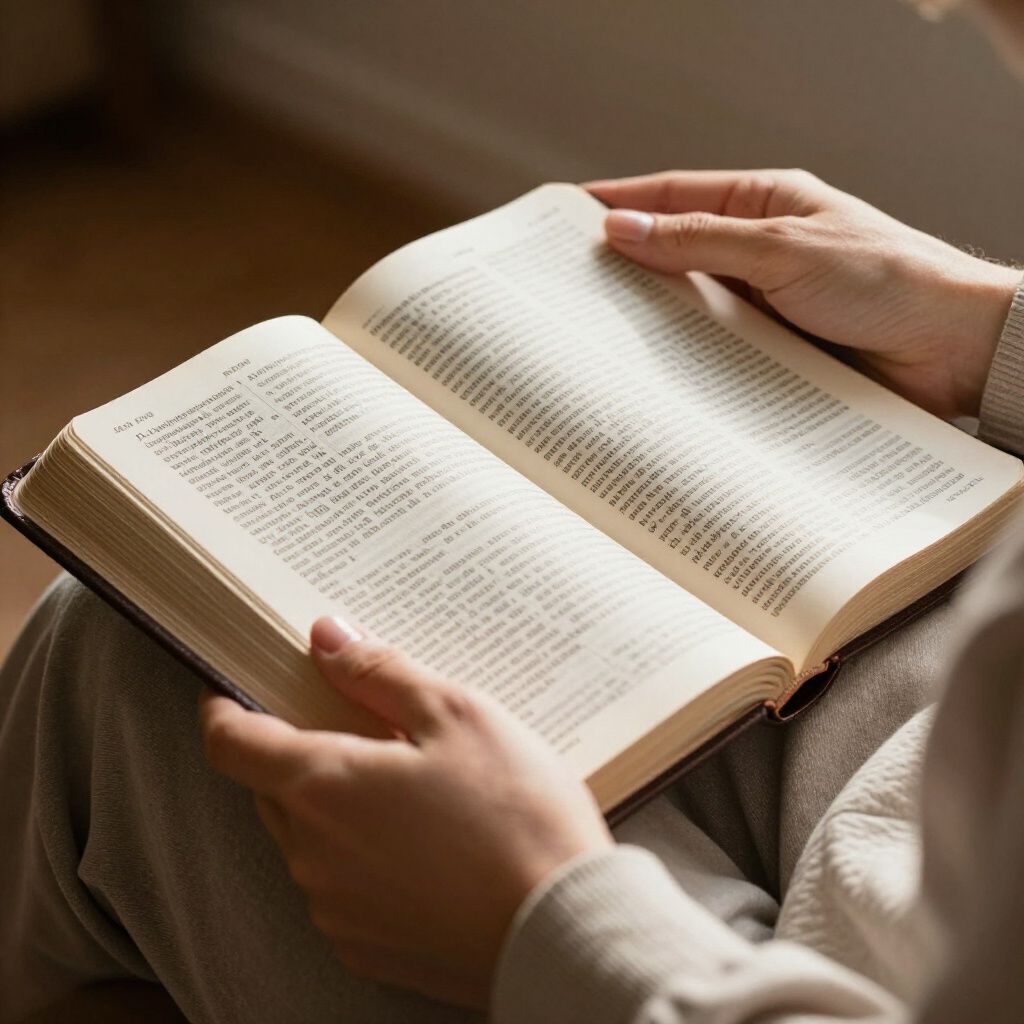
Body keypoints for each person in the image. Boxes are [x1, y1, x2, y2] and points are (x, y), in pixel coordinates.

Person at [2, 1, 1023, 1021]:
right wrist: (988, 330)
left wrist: (547, 922)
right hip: (909, 726)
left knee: (148, 664)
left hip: (792, 945)